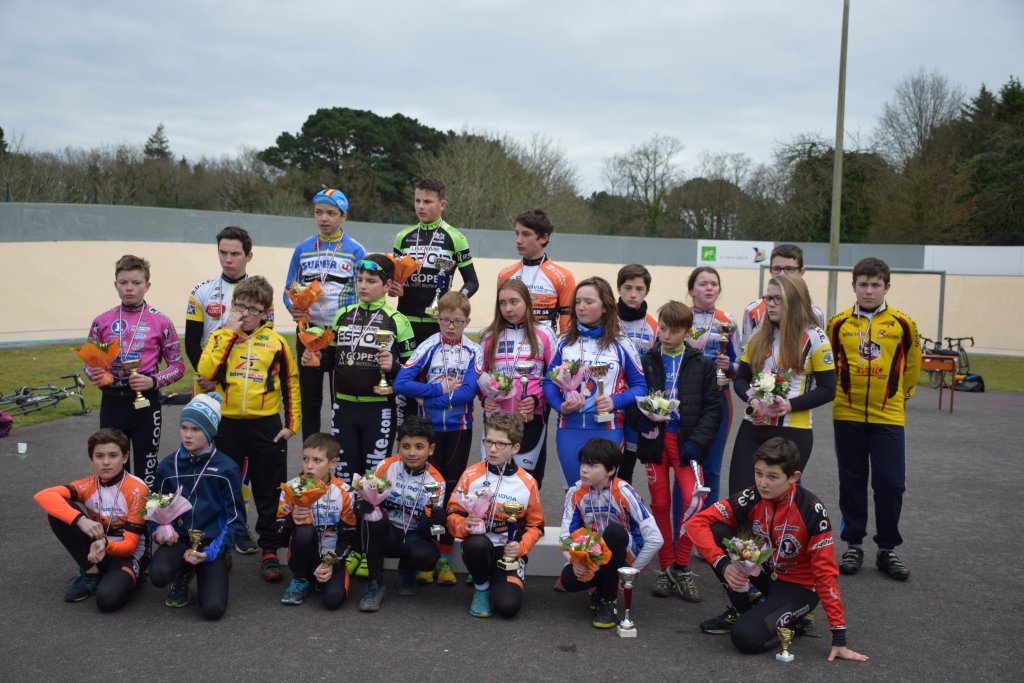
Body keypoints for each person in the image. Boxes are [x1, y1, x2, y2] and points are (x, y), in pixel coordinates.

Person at [685, 437, 869, 663]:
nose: (763, 483)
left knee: (745, 637)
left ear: (794, 477)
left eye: (772, 477)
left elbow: (825, 574)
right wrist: (722, 564)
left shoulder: (811, 510)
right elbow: (695, 524)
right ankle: (743, 607)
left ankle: (794, 623)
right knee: (717, 530)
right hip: (766, 571)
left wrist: (839, 637)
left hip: (798, 588)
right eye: (758, 473)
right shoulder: (752, 496)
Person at [197, 276, 301, 583]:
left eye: (253, 309)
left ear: (266, 312)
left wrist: (291, 426)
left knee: (269, 489)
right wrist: (228, 333)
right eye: (239, 306)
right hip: (227, 424)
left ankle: (269, 548)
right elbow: (205, 371)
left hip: (265, 424)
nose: (244, 313)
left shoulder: (276, 343)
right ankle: (224, 545)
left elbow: (291, 384)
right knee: (223, 487)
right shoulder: (220, 336)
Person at [827, 257, 921, 581]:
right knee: (851, 480)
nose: (869, 291)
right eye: (863, 285)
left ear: (887, 287)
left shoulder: (903, 324)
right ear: (854, 286)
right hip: (847, 413)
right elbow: (830, 365)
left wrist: (900, 397)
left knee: (890, 483)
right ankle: (853, 544)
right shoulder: (838, 323)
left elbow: (912, 367)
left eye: (875, 285)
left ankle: (887, 549)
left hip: (888, 415)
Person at [626, 301, 722, 602]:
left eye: (674, 330)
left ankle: (682, 566)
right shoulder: (647, 360)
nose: (666, 335)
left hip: (686, 443)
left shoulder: (702, 363)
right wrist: (641, 420)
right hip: (655, 440)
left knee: (693, 500)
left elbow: (713, 409)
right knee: (660, 504)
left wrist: (698, 443)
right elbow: (634, 398)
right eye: (663, 329)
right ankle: (666, 568)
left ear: (687, 332)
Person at [394, 291, 483, 586]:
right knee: (427, 491)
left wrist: (432, 397)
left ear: (467, 321)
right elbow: (401, 383)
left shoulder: (473, 350)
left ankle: (444, 556)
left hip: (459, 429)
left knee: (451, 490)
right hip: (429, 431)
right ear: (438, 319)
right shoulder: (428, 345)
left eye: (457, 321)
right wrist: (439, 390)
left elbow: (469, 392)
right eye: (445, 320)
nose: (451, 327)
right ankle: (427, 554)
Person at [184, 225, 259, 553]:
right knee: (200, 451)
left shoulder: (260, 294)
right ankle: (201, 521)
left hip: (243, 386)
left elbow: (263, 340)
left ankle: (239, 525)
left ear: (248, 255)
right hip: (206, 384)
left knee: (241, 460)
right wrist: (207, 374)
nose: (228, 259)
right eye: (223, 253)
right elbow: (192, 342)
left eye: (235, 254)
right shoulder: (201, 291)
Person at [82, 254, 185, 488]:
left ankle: (146, 511)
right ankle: (116, 510)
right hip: (112, 402)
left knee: (147, 469)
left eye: (136, 283)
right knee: (112, 467)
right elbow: (88, 363)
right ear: (115, 285)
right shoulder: (102, 321)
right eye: (123, 282)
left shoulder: (162, 322)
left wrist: (153, 381)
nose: (129, 288)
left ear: (147, 286)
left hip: (145, 404)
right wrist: (94, 374)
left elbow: (178, 367)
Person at [729, 275, 835, 495]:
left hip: (793, 429)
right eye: (768, 298)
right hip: (754, 424)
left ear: (795, 301)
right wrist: (753, 402)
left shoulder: (815, 336)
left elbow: (828, 389)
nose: (770, 304)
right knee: (740, 497)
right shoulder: (758, 334)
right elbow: (740, 379)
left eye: (778, 299)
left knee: (776, 500)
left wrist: (790, 405)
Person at [317, 254, 414, 484]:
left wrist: (394, 367)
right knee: (344, 479)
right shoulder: (342, 315)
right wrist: (316, 359)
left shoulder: (397, 320)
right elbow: (329, 360)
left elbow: (413, 373)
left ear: (387, 285)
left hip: (378, 410)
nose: (362, 286)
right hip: (343, 407)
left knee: (373, 481)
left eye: (371, 281)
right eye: (359, 279)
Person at [148, 393, 246, 620]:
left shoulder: (226, 468)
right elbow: (153, 507)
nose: (188, 435)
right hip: (180, 539)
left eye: (196, 429)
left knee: (213, 609)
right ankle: (182, 573)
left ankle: (205, 565)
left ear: (210, 432)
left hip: (211, 543)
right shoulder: (168, 465)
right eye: (184, 428)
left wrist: (211, 552)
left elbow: (236, 519)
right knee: (158, 574)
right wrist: (160, 531)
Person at [390, 178, 479, 423]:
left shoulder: (455, 238)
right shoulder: (403, 237)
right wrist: (393, 287)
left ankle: (434, 436)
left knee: (435, 383)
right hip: (405, 322)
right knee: (406, 390)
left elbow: (472, 281)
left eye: (428, 201)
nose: (421, 206)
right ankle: (407, 438)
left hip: (435, 325)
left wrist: (454, 302)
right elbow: (393, 280)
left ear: (442, 204)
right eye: (417, 200)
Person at [543, 277, 646, 489]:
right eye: (578, 301)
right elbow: (549, 382)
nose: (581, 307)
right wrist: (560, 406)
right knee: (574, 493)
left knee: (604, 496)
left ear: (605, 306)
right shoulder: (564, 342)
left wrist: (615, 401)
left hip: (607, 428)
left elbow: (641, 387)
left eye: (589, 302)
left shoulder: (622, 343)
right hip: (569, 428)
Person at [282, 188, 366, 440]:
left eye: (331, 213)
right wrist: (294, 308)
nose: (324, 218)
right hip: (309, 334)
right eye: (319, 212)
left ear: (344, 216)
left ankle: (341, 454)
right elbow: (289, 288)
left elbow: (364, 292)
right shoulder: (302, 249)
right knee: (310, 400)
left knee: (341, 400)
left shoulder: (356, 250)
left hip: (342, 335)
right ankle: (311, 454)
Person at [34, 428, 149, 611]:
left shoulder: (137, 489)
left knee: (107, 600)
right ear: (91, 459)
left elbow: (129, 546)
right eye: (99, 456)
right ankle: (91, 572)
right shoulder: (88, 484)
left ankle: (134, 574)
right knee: (57, 512)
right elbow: (43, 495)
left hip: (127, 555)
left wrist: (105, 543)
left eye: (113, 455)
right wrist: (80, 519)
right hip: (97, 549)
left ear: (125, 457)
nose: (106, 462)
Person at [447, 412, 545, 619]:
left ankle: (498, 577)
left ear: (515, 448)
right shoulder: (471, 474)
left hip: (508, 552)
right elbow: (452, 513)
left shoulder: (528, 482)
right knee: (477, 544)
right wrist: (464, 524)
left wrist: (521, 546)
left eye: (500, 444)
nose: (492, 449)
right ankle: (481, 587)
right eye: (489, 441)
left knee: (508, 607)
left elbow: (536, 526)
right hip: (479, 547)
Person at [558, 438, 663, 629]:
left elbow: (656, 538)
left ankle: (608, 600)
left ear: (611, 470)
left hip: (624, 553)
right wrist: (575, 561)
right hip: (595, 553)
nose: (584, 470)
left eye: (592, 465)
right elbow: (565, 537)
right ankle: (601, 587)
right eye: (583, 463)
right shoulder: (575, 492)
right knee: (568, 580)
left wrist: (631, 573)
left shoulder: (624, 491)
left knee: (614, 533)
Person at [357, 417, 447, 613]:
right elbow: (364, 492)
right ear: (398, 446)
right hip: (387, 532)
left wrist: (435, 520)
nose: (412, 453)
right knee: (372, 517)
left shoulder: (436, 481)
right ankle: (375, 583)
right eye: (406, 446)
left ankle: (407, 570)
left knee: (427, 556)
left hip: (414, 535)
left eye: (419, 447)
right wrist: (362, 503)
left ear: (431, 449)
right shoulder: (387, 466)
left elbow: (430, 531)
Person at [477, 279, 556, 487]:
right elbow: (479, 374)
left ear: (527, 302)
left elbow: (555, 376)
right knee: (491, 480)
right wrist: (484, 398)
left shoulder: (545, 333)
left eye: (514, 302)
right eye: (502, 303)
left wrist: (537, 399)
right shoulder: (488, 336)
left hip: (530, 418)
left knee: (526, 481)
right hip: (496, 419)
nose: (508, 309)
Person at [276, 433, 356, 608]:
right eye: (305, 459)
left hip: (331, 557)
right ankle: (300, 579)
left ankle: (320, 578)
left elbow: (349, 540)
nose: (309, 466)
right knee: (304, 529)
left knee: (333, 600)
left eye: (317, 460)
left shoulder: (345, 493)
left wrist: (331, 564)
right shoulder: (290, 488)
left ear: (332, 463)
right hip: (300, 557)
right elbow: (279, 539)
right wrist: (290, 520)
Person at [684, 266, 739, 506]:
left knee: (713, 468)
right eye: (703, 283)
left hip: (719, 397)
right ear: (691, 289)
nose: (709, 288)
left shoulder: (728, 321)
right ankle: (684, 522)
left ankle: (710, 521)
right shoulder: (681, 317)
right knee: (686, 465)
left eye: (713, 284)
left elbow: (740, 366)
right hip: (687, 399)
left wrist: (729, 366)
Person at [495, 208, 576, 335]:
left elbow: (567, 326)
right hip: (510, 344)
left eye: (526, 234)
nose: (518, 240)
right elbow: (499, 318)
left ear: (544, 238)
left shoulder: (563, 276)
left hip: (545, 344)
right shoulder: (504, 275)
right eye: (517, 233)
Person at [616, 263, 660, 484]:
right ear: (619, 288)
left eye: (639, 289)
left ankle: (622, 503)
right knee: (605, 460)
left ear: (647, 291)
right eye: (628, 288)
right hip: (611, 399)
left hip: (637, 402)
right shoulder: (607, 320)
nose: (633, 294)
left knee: (627, 467)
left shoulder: (654, 325)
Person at [740, 244, 825, 347]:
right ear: (770, 271)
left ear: (801, 272)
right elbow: (746, 352)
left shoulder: (815, 314)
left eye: (789, 269)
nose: (782, 274)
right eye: (777, 269)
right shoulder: (752, 311)